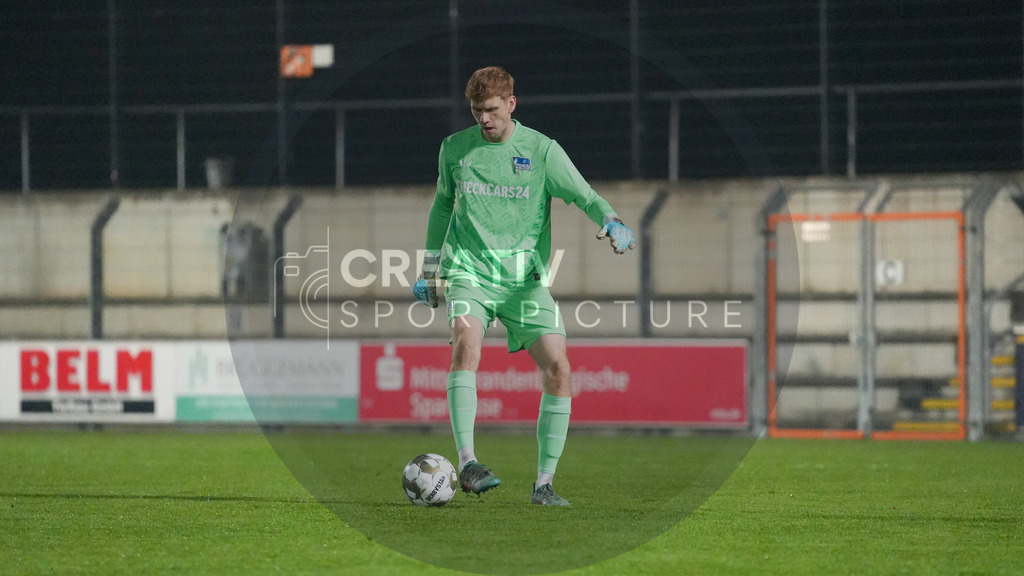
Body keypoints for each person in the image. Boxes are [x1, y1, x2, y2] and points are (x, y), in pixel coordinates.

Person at [413, 66, 636, 506]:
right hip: (470, 273)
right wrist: (429, 268)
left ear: (511, 104)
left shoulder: (541, 150)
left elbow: (586, 196)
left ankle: (544, 485)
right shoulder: (455, 149)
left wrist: (612, 220)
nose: (484, 118)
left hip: (524, 283)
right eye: (477, 111)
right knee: (465, 341)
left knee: (559, 368)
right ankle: (468, 462)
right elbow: (442, 206)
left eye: (492, 109)